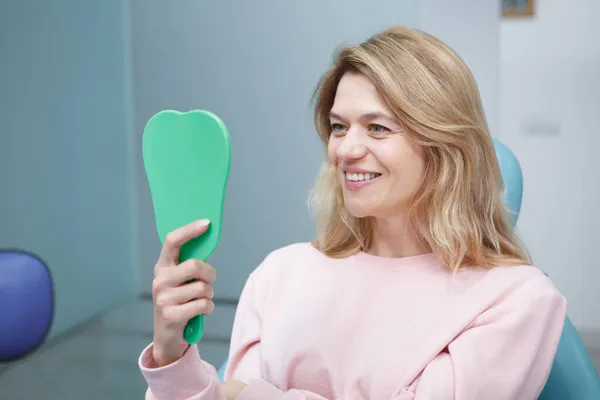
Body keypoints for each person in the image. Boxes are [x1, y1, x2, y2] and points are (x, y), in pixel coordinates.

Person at [138, 26, 567, 399]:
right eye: (339, 126)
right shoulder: (278, 276)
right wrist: (171, 356)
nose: (345, 149)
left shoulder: (513, 300)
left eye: (378, 127)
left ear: (445, 147)